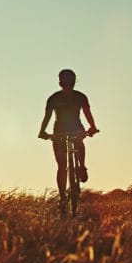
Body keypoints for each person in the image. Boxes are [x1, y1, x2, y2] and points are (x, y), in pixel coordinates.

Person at [38, 69, 99, 207]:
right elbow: (87, 114)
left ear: (59, 82)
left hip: (59, 129)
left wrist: (42, 132)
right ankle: (81, 167)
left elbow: (47, 117)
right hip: (75, 127)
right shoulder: (80, 96)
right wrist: (93, 127)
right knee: (79, 140)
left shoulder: (53, 98)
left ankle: (62, 197)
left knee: (61, 167)